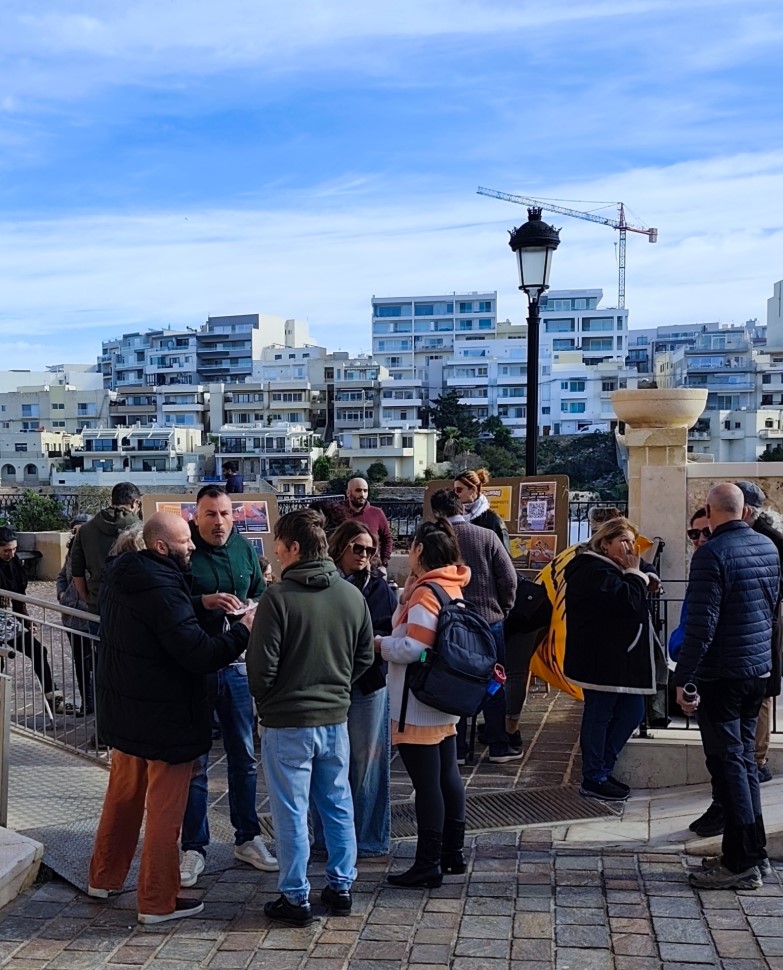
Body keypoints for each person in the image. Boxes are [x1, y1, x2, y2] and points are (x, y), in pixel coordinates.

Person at [87, 513, 256, 924]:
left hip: (127, 716)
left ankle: (104, 878)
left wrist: (201, 603)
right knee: (165, 814)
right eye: (185, 541)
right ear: (161, 547)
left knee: (122, 800)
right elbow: (198, 654)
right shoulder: (161, 586)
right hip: (166, 721)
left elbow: (159, 619)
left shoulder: (125, 574)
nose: (193, 546)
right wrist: (243, 630)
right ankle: (157, 900)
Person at [247, 509, 374, 926]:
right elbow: (365, 657)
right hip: (334, 718)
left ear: (295, 548)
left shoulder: (277, 599)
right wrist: (337, 686)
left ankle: (295, 895)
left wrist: (272, 701)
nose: (276, 554)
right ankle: (341, 886)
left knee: (291, 811)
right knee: (337, 804)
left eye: (279, 548)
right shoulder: (351, 595)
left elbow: (260, 671)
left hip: (287, 722)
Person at [675, 483, 779, 891]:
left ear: (709, 511)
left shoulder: (711, 554)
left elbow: (701, 625)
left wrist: (684, 678)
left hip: (724, 675)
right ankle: (751, 853)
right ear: (744, 510)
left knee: (730, 765)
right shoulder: (767, 546)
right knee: (744, 765)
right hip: (756, 671)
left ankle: (742, 862)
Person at [179, 485, 276, 888]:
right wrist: (204, 601)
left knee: (243, 756)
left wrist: (251, 606)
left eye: (224, 514)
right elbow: (171, 600)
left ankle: (247, 837)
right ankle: (194, 847)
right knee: (196, 762)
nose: (219, 522)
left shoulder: (244, 550)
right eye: (210, 514)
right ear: (196, 516)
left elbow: (260, 590)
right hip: (197, 667)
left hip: (236, 666)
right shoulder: (185, 550)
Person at [378, 520, 469, 888]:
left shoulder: (426, 593)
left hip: (416, 702)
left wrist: (380, 645)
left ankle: (428, 863)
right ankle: (452, 853)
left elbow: (414, 647)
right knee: (448, 776)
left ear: (418, 550)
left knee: (427, 784)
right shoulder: (452, 585)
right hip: (443, 697)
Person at [311, 520, 398, 858]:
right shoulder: (322, 583)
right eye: (357, 548)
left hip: (368, 684)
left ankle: (368, 839)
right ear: (340, 547)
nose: (364, 555)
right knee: (327, 764)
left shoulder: (378, 588)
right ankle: (326, 839)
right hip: (329, 683)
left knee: (366, 765)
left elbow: (385, 632)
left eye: (369, 550)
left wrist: (362, 643)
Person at [564, 517, 664, 802]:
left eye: (633, 541)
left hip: (623, 659)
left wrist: (646, 573)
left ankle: (603, 768)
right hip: (601, 660)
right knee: (599, 715)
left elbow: (641, 568)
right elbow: (627, 602)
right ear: (605, 544)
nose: (631, 548)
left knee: (633, 712)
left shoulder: (618, 565)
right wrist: (635, 575)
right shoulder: (591, 570)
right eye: (624, 541)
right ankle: (594, 777)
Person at [429, 489, 519, 763]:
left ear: (436, 513)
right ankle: (498, 745)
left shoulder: (435, 540)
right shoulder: (486, 536)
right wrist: (504, 607)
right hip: (489, 621)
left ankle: (457, 748)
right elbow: (509, 578)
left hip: (451, 623)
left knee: (455, 679)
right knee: (494, 681)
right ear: (462, 508)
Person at [735, 481, 782, 784]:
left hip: (763, 623)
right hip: (758, 623)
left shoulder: (769, 540)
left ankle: (756, 758)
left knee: (760, 692)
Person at [0, 526, 73, 714]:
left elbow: (19, 596)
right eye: (6, 550)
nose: (11, 554)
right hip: (3, 620)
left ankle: (53, 698)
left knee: (38, 650)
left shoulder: (14, 563)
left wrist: (26, 621)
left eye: (14, 549)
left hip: (7, 621)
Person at [71, 482, 142, 617]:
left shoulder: (86, 529)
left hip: (97, 603)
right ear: (135, 503)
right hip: (131, 606)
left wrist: (87, 597)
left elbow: (76, 570)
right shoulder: (139, 529)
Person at [56, 515, 93, 716]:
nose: (78, 534)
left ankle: (99, 701)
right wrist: (62, 594)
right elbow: (62, 576)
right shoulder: (71, 551)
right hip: (72, 615)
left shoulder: (96, 551)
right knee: (80, 661)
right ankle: (87, 702)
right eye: (75, 530)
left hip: (90, 614)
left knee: (95, 661)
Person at [338, 477, 393, 569]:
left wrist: (384, 561)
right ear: (348, 493)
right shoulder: (338, 512)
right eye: (358, 490)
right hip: (344, 568)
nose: (362, 494)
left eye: (365, 491)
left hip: (372, 566)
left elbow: (387, 538)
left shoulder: (377, 513)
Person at [453, 469, 509, 550]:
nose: (455, 494)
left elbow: (504, 555)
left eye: (459, 490)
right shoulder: (453, 516)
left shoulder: (493, 521)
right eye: (454, 490)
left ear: (473, 489)